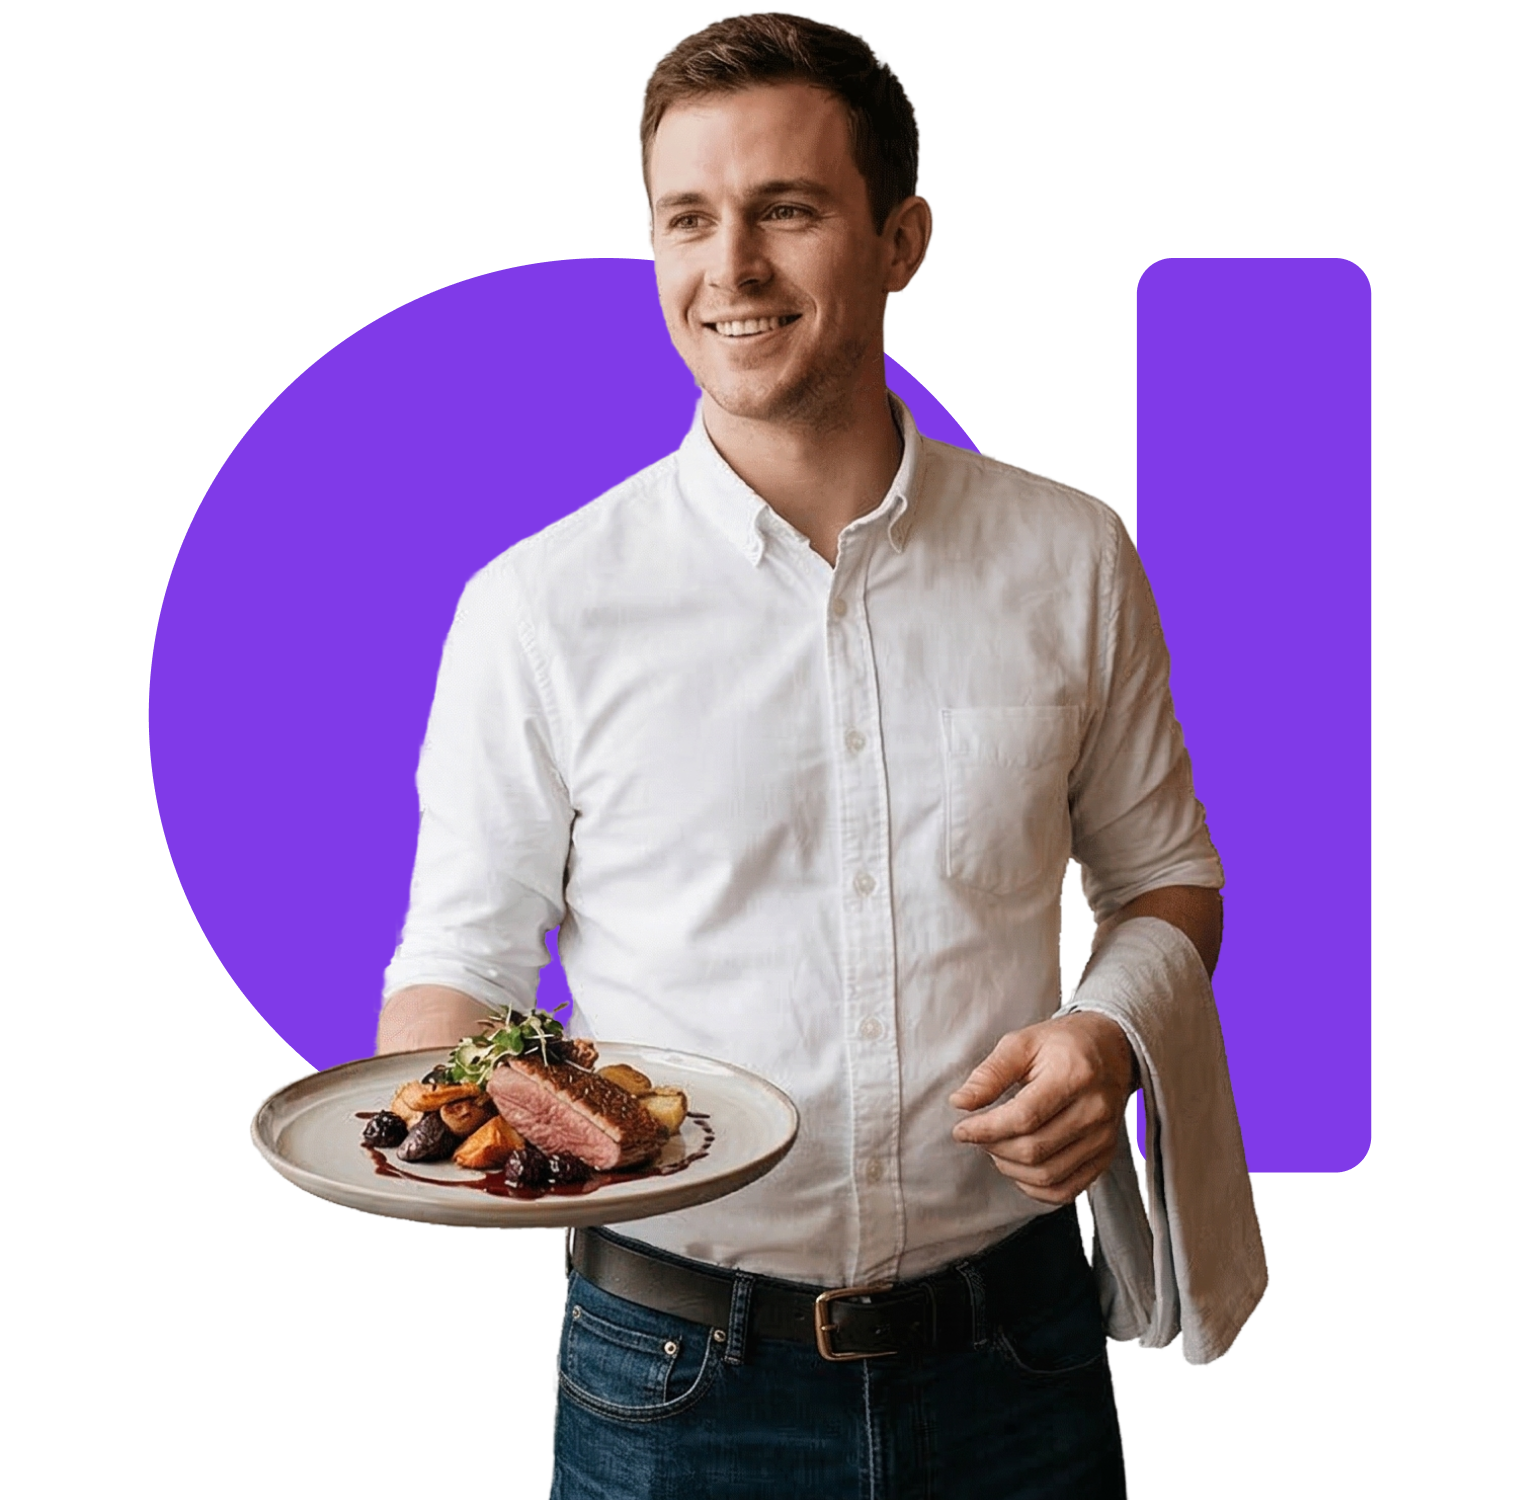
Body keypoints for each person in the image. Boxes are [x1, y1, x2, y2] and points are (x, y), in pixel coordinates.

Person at [377, 13, 1236, 1497]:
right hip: (672, 1383)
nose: (733, 270)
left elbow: (1168, 881)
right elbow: (460, 962)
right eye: (688, 220)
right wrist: (428, 1130)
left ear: (903, 241)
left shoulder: (1071, 556)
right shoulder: (539, 607)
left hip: (1019, 1358)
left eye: (788, 209)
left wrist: (1108, 1036)